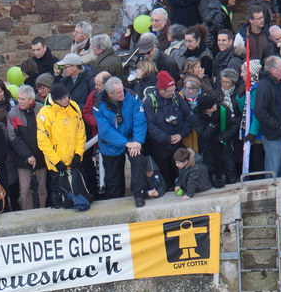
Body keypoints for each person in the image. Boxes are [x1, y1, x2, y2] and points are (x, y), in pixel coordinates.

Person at [94, 76, 150, 205]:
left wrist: (137, 142)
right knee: (113, 177)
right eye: (118, 93)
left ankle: (139, 193)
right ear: (109, 93)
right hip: (112, 143)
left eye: (122, 90)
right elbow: (106, 131)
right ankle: (115, 201)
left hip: (132, 138)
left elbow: (139, 120)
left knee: (138, 160)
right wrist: (125, 143)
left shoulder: (132, 97)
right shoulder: (99, 106)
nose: (122, 94)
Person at [36, 83, 87, 210]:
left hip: (75, 161)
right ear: (55, 99)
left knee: (79, 190)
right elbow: (43, 142)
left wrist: (78, 154)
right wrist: (56, 161)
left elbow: (81, 132)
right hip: (57, 165)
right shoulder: (45, 114)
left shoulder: (74, 107)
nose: (67, 100)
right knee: (58, 195)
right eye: (63, 98)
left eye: (67, 96)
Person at [143, 70, 193, 186]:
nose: (173, 93)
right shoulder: (150, 102)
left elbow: (188, 117)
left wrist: (181, 134)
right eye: (170, 91)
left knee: (180, 172)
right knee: (165, 174)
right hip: (160, 147)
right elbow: (151, 127)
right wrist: (167, 138)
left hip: (177, 143)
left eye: (173, 89)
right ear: (161, 90)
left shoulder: (176, 97)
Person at [7, 84, 48, 210]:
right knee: (25, 190)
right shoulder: (13, 114)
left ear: (31, 100)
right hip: (23, 160)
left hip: (41, 157)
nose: (20, 102)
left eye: (23, 99)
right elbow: (13, 137)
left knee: (42, 189)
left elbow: (47, 133)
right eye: (19, 98)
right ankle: (27, 214)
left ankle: (42, 211)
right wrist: (28, 155)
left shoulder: (42, 110)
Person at [254, 54, 281, 178]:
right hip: (273, 135)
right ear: (272, 70)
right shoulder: (264, 86)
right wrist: (277, 125)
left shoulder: (278, 83)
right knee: (273, 170)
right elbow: (260, 112)